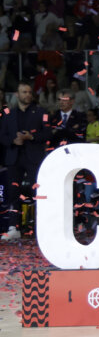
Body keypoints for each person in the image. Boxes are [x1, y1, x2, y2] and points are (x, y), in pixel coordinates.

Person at [0, 82, 50, 239]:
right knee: (13, 192)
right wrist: (13, 141)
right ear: (17, 94)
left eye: (29, 92)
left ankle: (41, 226)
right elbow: (2, 136)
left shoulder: (42, 111)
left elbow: (49, 134)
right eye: (24, 92)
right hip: (14, 157)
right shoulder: (8, 113)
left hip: (34, 157)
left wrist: (32, 136)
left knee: (38, 192)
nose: (27, 95)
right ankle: (13, 227)